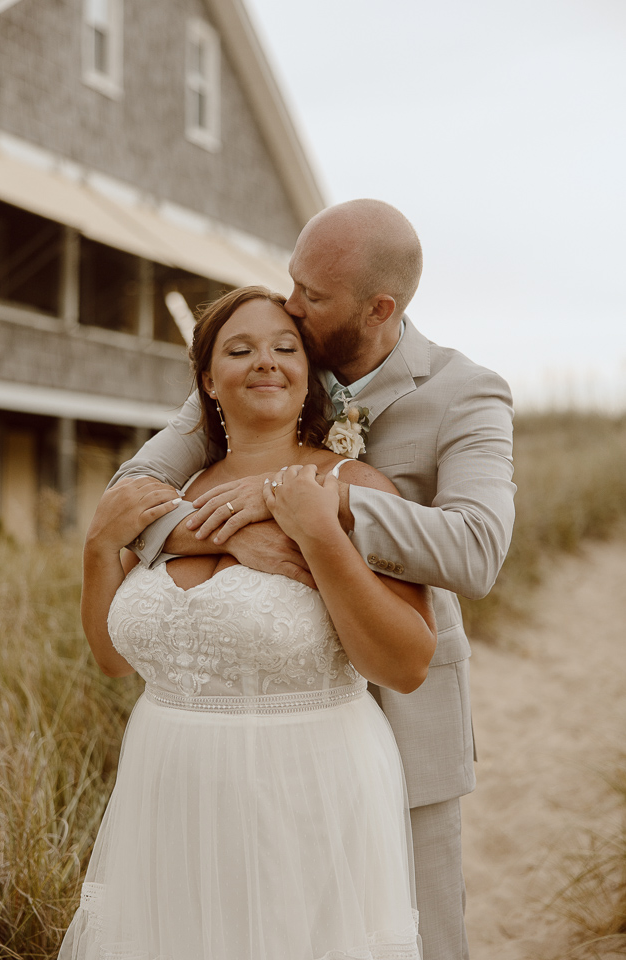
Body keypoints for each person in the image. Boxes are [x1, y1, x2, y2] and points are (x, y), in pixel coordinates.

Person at [112, 199, 516, 960]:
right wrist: (230, 535)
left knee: (416, 937)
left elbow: (476, 550)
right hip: (264, 710)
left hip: (403, 705)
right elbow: (135, 487)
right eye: (292, 283)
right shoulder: (269, 362)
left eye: (313, 296)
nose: (291, 307)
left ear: (379, 308)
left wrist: (326, 504)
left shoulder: (466, 393)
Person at [59, 287, 436, 960]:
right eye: (240, 349)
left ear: (310, 375)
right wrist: (97, 549)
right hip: (167, 786)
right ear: (207, 379)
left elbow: (405, 665)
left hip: (304, 787)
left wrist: (320, 539)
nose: (265, 361)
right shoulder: (163, 501)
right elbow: (114, 661)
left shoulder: (355, 489)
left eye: (284, 348)